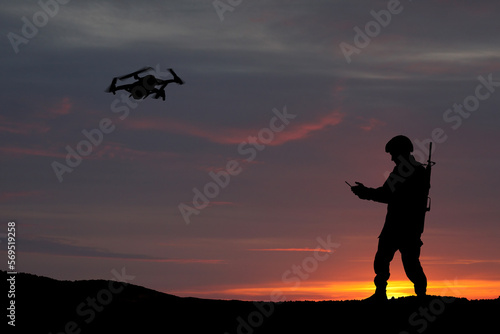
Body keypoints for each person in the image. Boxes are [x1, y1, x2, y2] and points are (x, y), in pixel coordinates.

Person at [351, 135, 429, 301]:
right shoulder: (417, 170)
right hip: (409, 226)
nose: (392, 158)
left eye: (393, 153)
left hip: (398, 225)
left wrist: (364, 192)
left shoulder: (404, 170)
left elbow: (386, 194)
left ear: (401, 152)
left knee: (392, 260)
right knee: (405, 262)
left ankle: (385, 294)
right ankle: (421, 296)